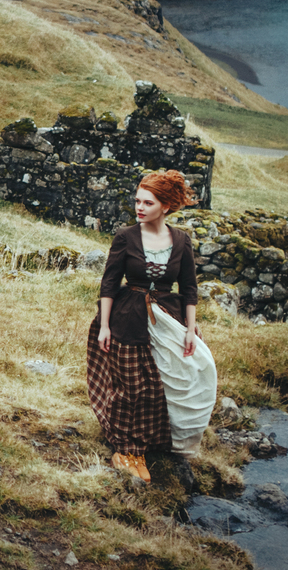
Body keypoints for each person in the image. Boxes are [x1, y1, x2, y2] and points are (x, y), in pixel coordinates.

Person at [86, 169, 219, 489]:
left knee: (190, 375)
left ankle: (163, 442)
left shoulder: (181, 240)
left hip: (168, 318)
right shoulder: (125, 237)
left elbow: (188, 287)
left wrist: (191, 327)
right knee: (134, 387)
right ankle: (128, 451)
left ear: (166, 206)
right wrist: (104, 326)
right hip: (128, 317)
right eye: (137, 201)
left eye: (148, 202)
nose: (140, 207)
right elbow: (108, 283)